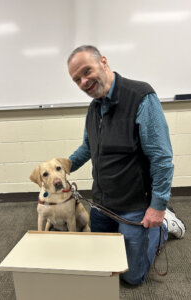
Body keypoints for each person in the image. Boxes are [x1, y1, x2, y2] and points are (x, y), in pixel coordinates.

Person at [67, 45, 186, 285]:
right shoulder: (94, 108)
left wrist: (158, 206)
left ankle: (163, 224)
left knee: (132, 277)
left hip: (135, 204)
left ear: (103, 61)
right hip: (102, 203)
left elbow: (162, 158)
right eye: (76, 79)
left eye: (86, 71)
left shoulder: (141, 96)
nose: (83, 82)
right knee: (101, 266)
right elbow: (88, 148)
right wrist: (59, 168)